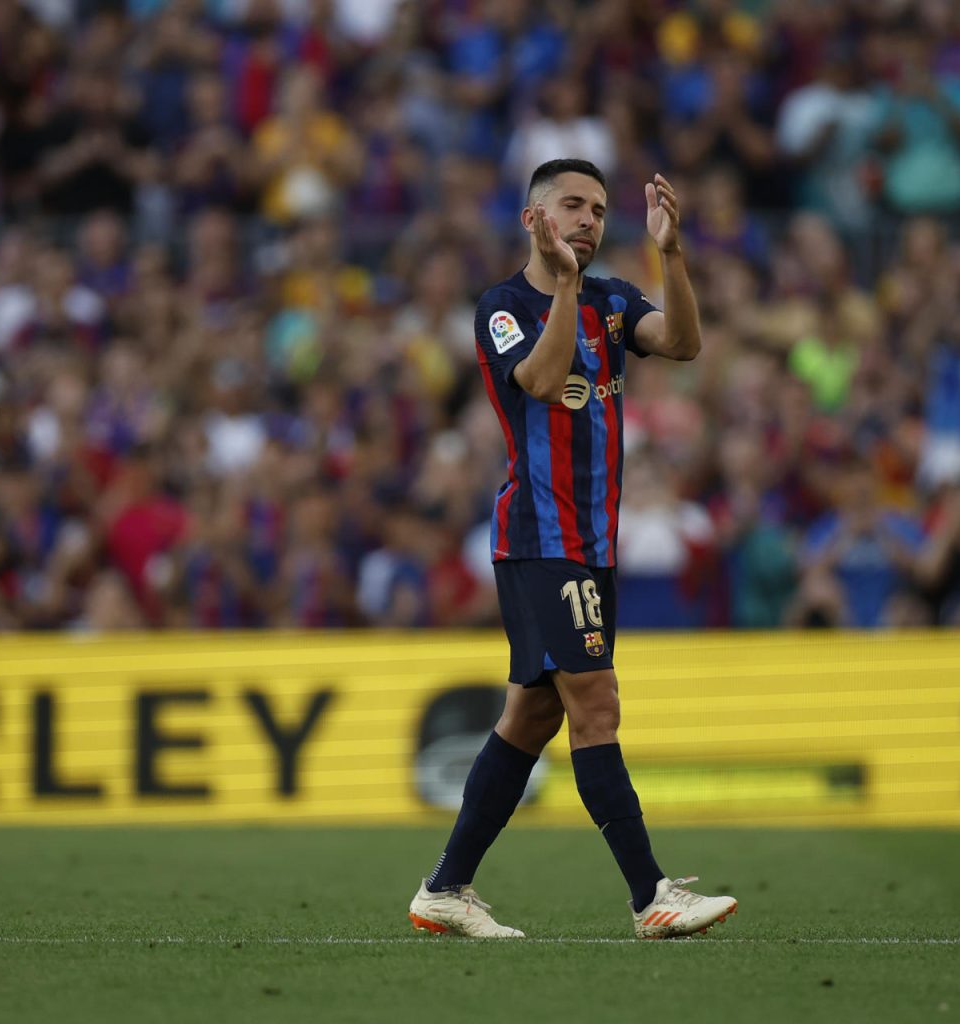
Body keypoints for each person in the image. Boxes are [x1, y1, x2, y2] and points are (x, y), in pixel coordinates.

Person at [406, 158, 738, 940]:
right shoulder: (503, 306)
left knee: (532, 715)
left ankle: (445, 888)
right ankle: (650, 894)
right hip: (540, 535)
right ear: (533, 219)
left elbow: (684, 343)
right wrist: (560, 289)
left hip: (590, 543)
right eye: (571, 206)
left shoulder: (615, 299)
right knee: (597, 705)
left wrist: (672, 253)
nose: (589, 219)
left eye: (597, 207)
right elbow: (546, 381)